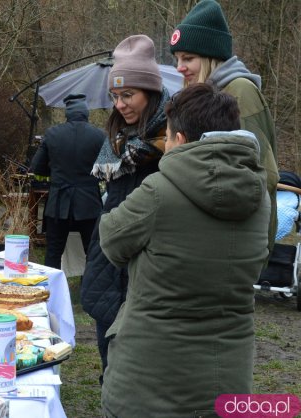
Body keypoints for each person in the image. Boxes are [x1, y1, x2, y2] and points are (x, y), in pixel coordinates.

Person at [99, 83, 270, 416]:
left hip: (148, 386)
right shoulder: (259, 196)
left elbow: (110, 239)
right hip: (227, 384)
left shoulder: (159, 191)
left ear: (179, 139)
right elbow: (257, 262)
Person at [80, 34, 169, 383]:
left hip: (147, 261)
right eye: (115, 96)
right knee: (108, 354)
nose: (120, 104)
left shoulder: (172, 143)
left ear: (152, 94)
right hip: (110, 257)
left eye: (128, 95)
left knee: (137, 365)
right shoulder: (116, 142)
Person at [170, 0, 278, 257]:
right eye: (177, 58)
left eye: (188, 58)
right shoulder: (207, 96)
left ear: (211, 57)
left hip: (239, 237)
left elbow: (265, 174)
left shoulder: (240, 91)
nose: (179, 67)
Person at [29, 93, 105, 269]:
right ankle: (89, 294)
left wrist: (56, 173)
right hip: (89, 203)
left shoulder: (52, 134)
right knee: (92, 253)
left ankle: (52, 293)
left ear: (67, 114)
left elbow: (37, 168)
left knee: (53, 252)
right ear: (86, 114)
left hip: (58, 203)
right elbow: (107, 169)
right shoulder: (99, 135)